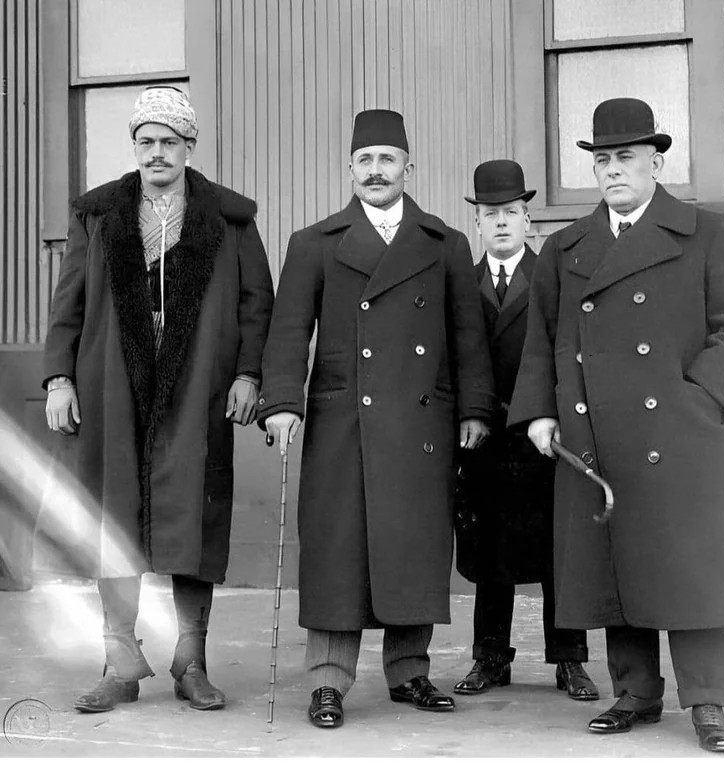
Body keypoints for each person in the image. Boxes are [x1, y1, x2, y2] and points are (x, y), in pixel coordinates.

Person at [508, 98, 724, 753]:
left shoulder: (709, 233)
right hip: (595, 434)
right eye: (601, 159)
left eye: (624, 157)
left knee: (688, 573)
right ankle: (634, 690)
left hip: (684, 437)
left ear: (657, 161)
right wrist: (540, 412)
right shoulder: (566, 249)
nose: (611, 170)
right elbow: (540, 342)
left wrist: (697, 402)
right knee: (612, 567)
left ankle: (707, 699)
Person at [259, 109, 494, 729]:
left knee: (411, 544)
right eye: (365, 160)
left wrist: (473, 407)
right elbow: (288, 332)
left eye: (387, 159)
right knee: (338, 549)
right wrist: (283, 401)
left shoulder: (444, 243)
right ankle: (328, 682)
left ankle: (409, 672)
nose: (376, 171)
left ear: (407, 169)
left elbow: (467, 337)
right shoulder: (314, 242)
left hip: (422, 424)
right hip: (343, 422)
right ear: (351, 169)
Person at [43, 85, 274, 713]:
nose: (156, 153)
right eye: (145, 142)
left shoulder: (230, 219)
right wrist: (59, 378)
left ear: (189, 147)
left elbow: (257, 305)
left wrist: (249, 373)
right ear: (134, 147)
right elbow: (69, 301)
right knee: (112, 519)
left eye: (169, 142)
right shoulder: (98, 214)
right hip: (111, 384)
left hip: (198, 386)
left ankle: (191, 662)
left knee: (192, 519)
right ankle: (119, 661)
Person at [452, 160, 598, 702]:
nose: (502, 223)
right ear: (478, 224)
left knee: (558, 550)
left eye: (512, 212)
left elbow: (566, 353)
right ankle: (489, 657)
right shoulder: (462, 283)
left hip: (544, 433)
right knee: (490, 552)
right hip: (483, 437)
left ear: (529, 220)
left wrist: (556, 414)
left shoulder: (549, 278)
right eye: (491, 214)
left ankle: (570, 661)